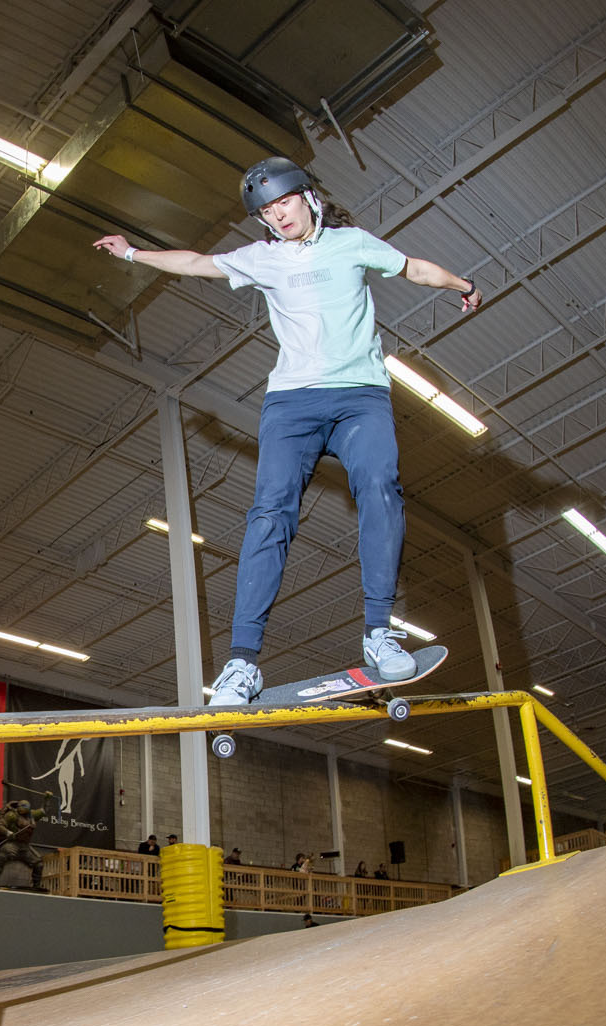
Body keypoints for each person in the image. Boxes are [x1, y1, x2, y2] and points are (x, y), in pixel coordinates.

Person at [94, 156, 481, 702]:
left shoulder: (353, 243)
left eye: (284, 203)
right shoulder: (262, 259)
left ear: (308, 197)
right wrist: (133, 252)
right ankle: (241, 664)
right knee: (271, 512)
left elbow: (415, 268)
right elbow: (198, 262)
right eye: (269, 212)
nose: (279, 217)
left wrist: (462, 283)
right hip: (292, 405)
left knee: (380, 486)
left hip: (359, 399)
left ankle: (378, 633)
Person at [0, 798, 48, 889]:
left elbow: (43, 811)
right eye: (20, 807)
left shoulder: (31, 815)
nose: (22, 809)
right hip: (13, 843)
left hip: (25, 846)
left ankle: (36, 885)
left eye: (24, 807)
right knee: (3, 856)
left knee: (38, 863)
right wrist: (7, 832)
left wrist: (46, 799)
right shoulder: (12, 815)